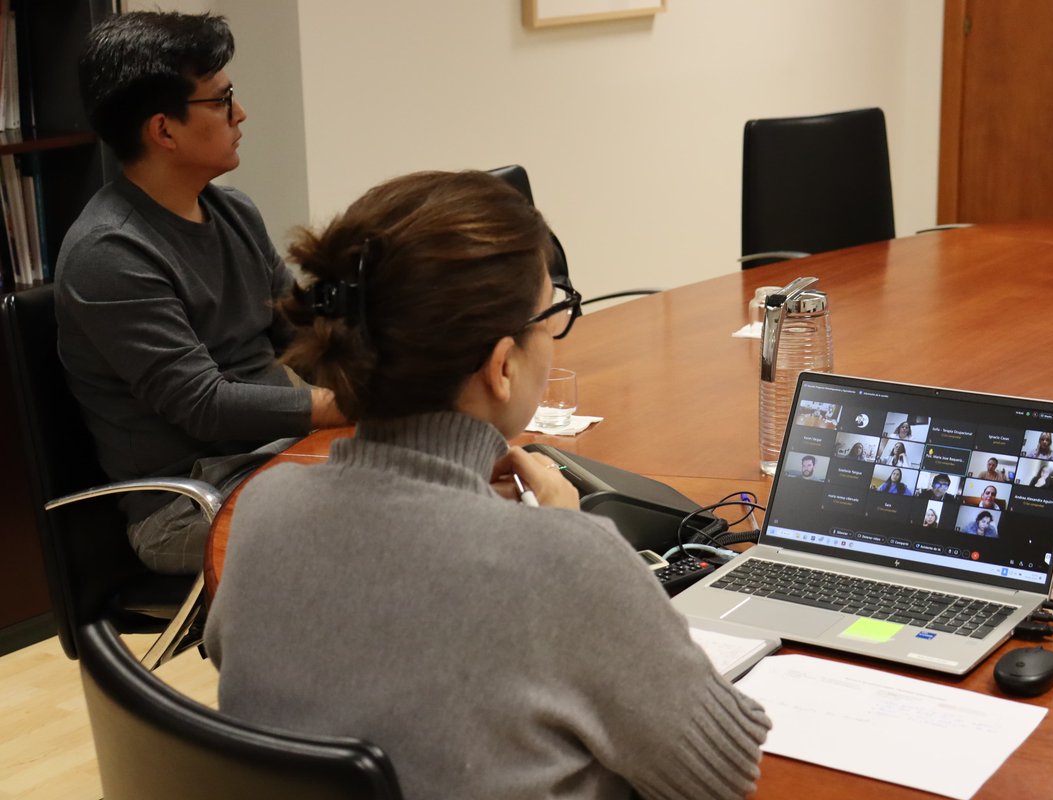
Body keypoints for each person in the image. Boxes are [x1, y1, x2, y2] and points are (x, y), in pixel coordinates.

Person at [205, 171, 770, 799]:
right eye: (552, 315)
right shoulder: (564, 559)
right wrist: (574, 531)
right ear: (502, 368)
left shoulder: (265, 507)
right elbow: (722, 774)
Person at [55, 12, 348, 575]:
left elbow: (304, 333)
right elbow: (206, 407)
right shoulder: (109, 254)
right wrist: (346, 406)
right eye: (221, 100)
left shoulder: (233, 210)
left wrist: (393, 374)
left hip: (276, 464)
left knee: (433, 475)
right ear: (163, 131)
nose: (241, 113)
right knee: (383, 526)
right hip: (185, 504)